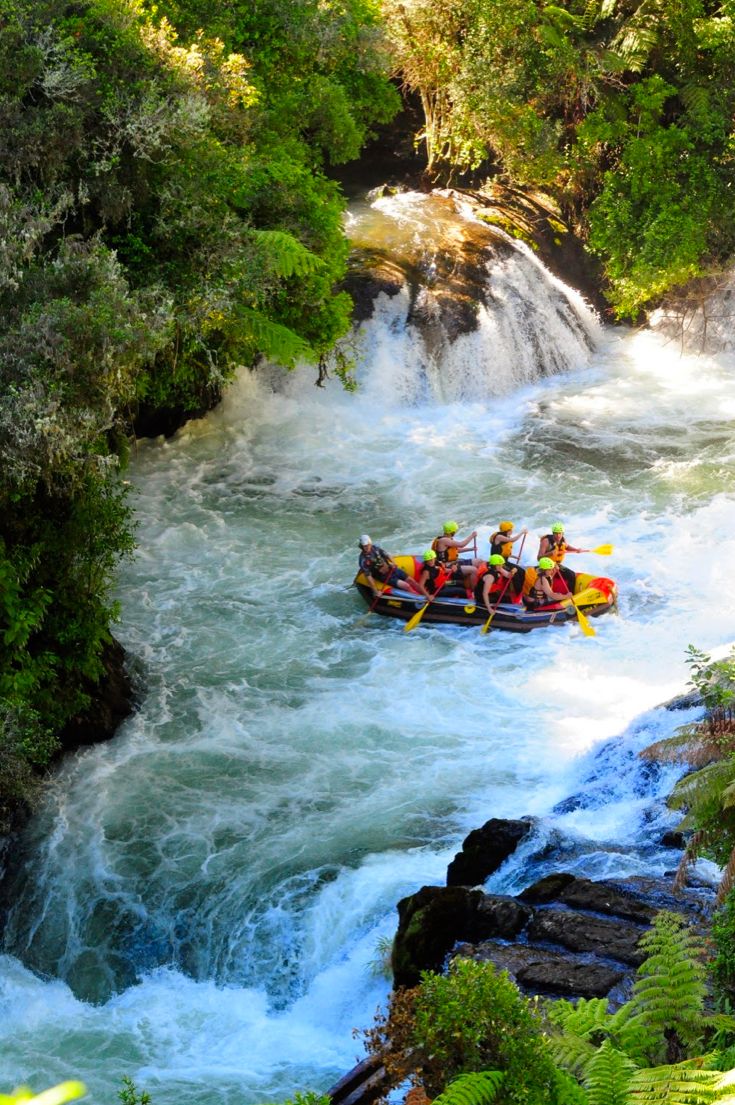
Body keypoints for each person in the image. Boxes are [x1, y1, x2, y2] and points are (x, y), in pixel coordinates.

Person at [358, 535, 430, 599]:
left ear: (370, 543)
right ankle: (421, 599)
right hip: (384, 576)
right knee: (406, 586)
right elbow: (369, 577)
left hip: (392, 569)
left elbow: (387, 555)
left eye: (367, 545)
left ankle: (426, 595)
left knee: (412, 581)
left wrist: (393, 563)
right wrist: (375, 591)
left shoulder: (375, 548)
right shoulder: (363, 560)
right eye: (364, 546)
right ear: (361, 546)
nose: (366, 547)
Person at [537, 522, 589, 592]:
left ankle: (570, 594)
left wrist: (576, 550)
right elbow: (539, 558)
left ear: (562, 533)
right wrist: (549, 553)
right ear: (553, 533)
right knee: (548, 579)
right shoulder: (546, 541)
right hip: (546, 566)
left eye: (560, 533)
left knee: (571, 575)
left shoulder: (563, 540)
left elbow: (567, 547)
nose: (558, 535)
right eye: (556, 533)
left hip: (556, 565)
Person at [431, 521, 480, 594]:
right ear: (452, 531)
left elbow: (456, 551)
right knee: (474, 570)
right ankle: (474, 593)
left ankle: (473, 582)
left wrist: (471, 549)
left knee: (478, 561)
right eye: (455, 531)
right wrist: (472, 536)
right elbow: (461, 544)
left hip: (454, 563)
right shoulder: (444, 540)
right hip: (448, 567)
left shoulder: (448, 539)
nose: (456, 532)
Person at [489, 521, 527, 597]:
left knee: (522, 571)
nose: (512, 531)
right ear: (507, 530)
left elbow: (502, 552)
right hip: (497, 563)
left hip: (504, 561)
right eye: (511, 529)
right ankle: (518, 593)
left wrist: (513, 556)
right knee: (515, 574)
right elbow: (512, 540)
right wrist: (522, 532)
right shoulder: (499, 537)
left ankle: (522, 590)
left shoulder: (505, 537)